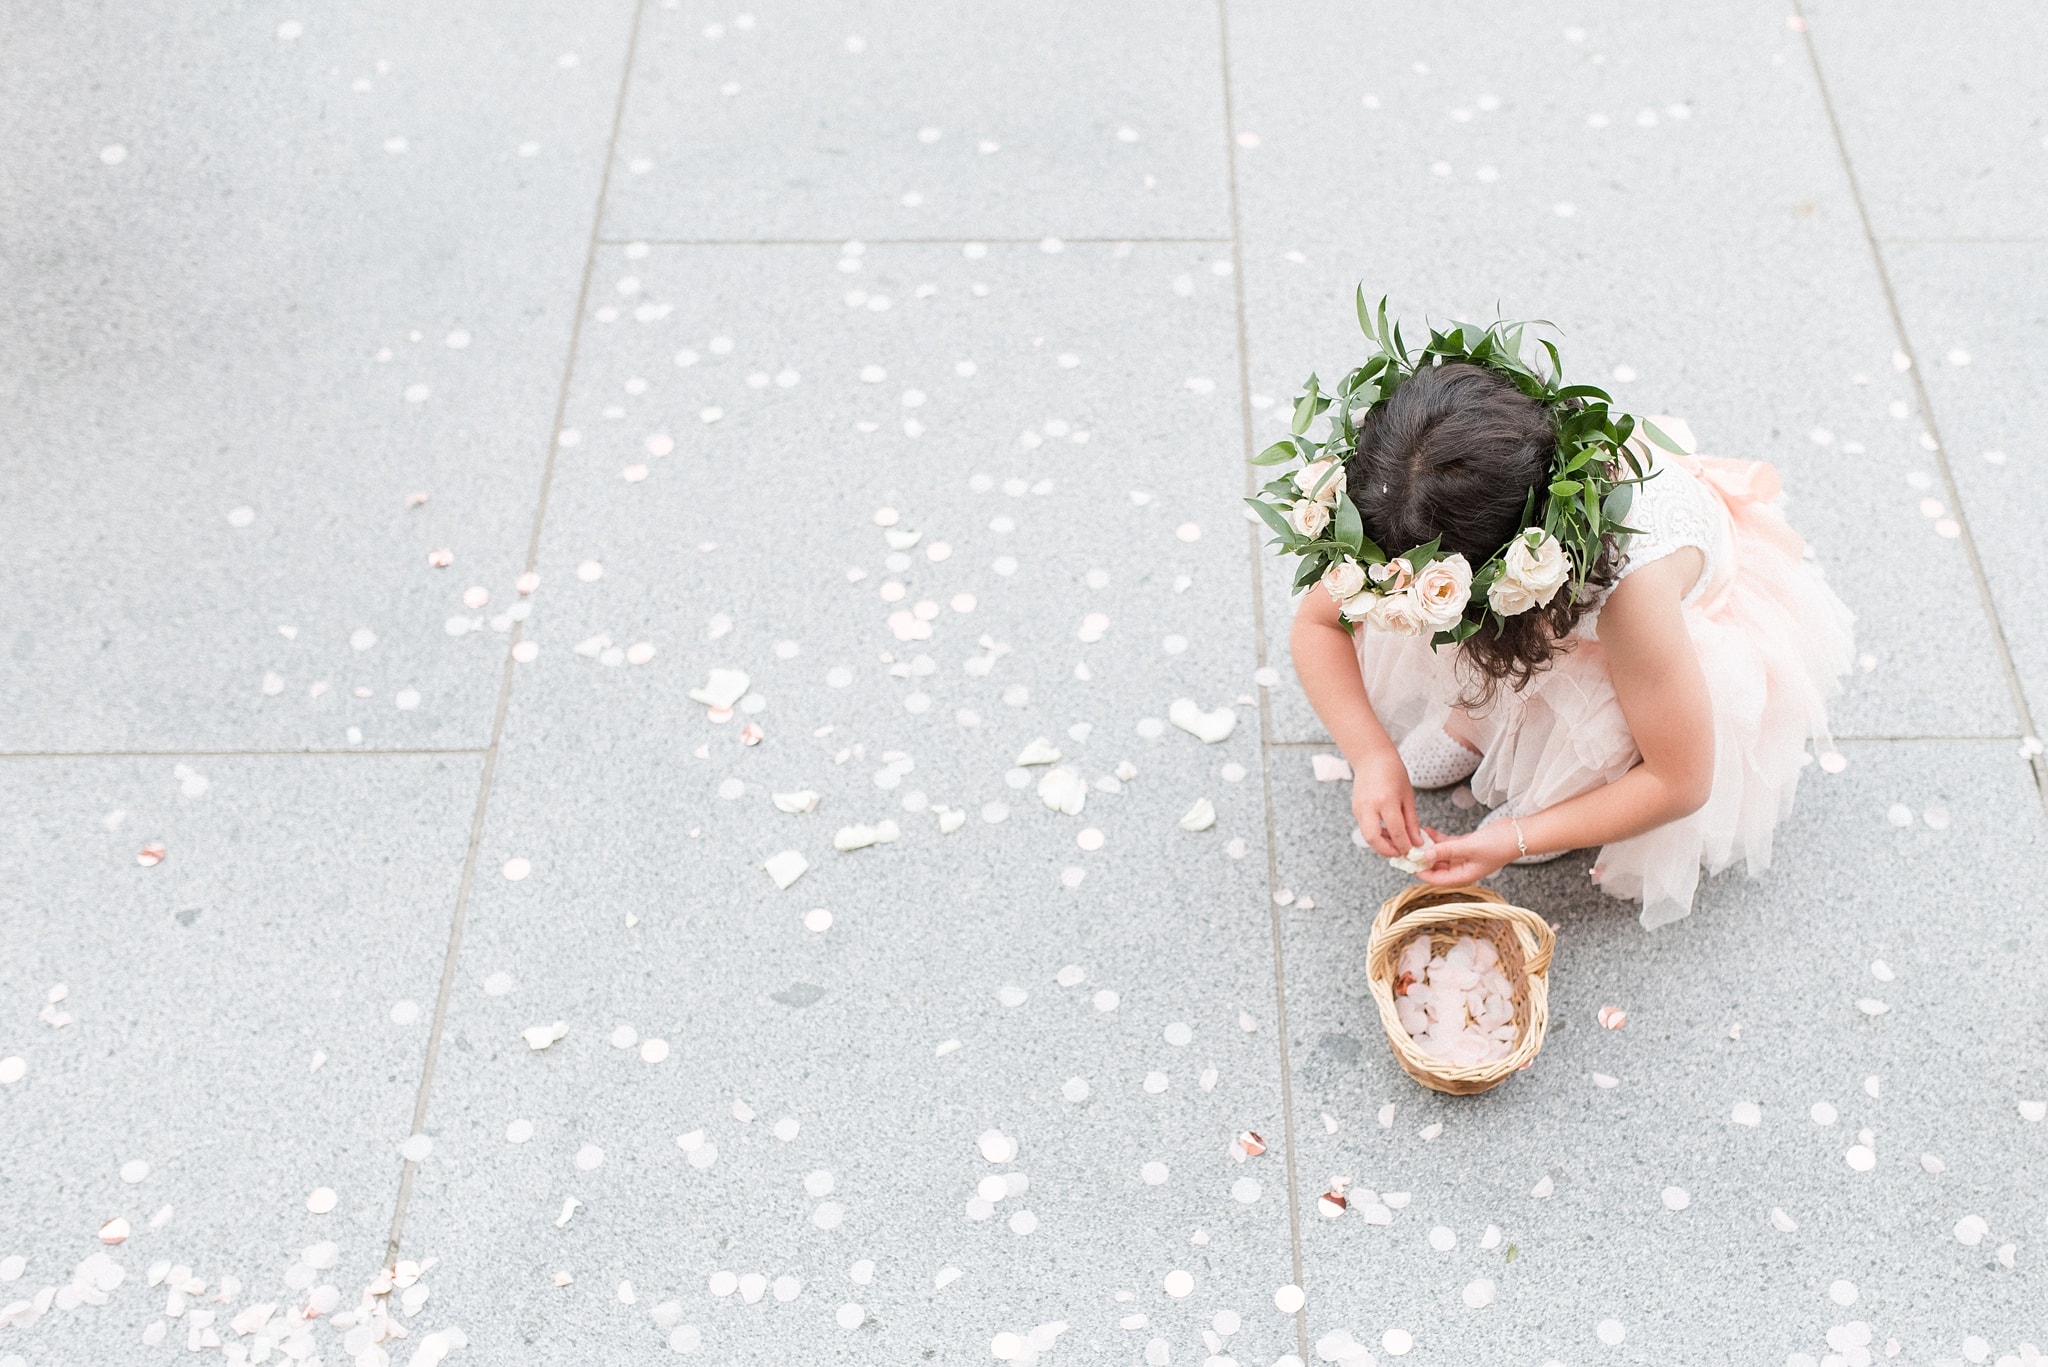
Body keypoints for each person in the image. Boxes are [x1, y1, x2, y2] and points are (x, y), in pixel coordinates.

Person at [1269, 313, 1854, 928]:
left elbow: (1679, 780)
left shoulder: (1637, 597)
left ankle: (1557, 799)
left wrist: (1513, 838)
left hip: (1631, 637)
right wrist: (1371, 757)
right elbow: (1318, 625)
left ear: (1506, 570)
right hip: (1522, 591)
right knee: (1477, 657)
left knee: (1593, 710)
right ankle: (1472, 724)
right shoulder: (1398, 494)